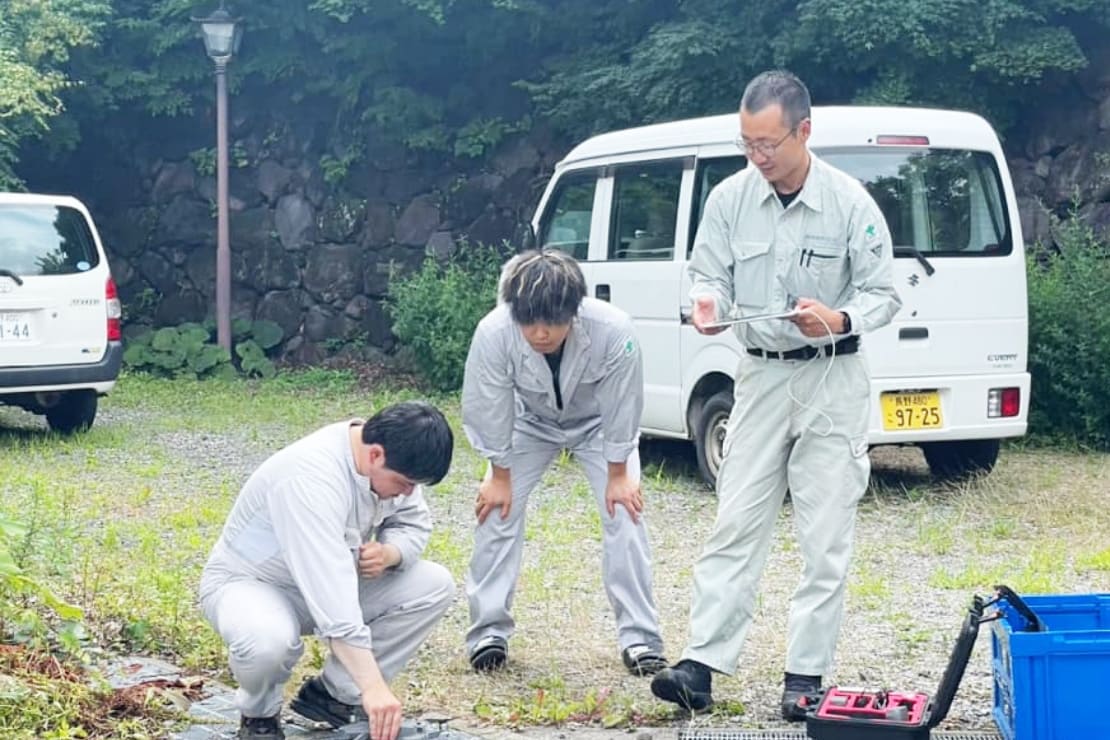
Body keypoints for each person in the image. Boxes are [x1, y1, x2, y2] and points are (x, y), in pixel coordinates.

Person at [650, 70, 902, 719]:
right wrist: (705, 304)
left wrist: (840, 318)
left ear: (803, 131)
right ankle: (700, 665)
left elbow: (884, 293)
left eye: (768, 143)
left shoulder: (850, 202)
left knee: (825, 533)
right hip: (759, 375)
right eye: (747, 144)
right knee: (735, 518)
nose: (758, 156)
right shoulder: (730, 199)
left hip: (832, 376)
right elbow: (705, 274)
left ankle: (805, 678)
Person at [461, 248, 666, 676]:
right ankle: (488, 632)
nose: (539, 333)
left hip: (597, 424)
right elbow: (488, 404)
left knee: (625, 515)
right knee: (497, 510)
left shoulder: (614, 330)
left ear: (574, 310)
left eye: (551, 321)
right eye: (529, 321)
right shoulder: (494, 332)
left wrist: (617, 474)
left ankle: (641, 640)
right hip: (528, 422)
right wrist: (499, 474)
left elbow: (623, 404)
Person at [199, 401, 456, 740]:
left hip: (329, 583)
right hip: (252, 584)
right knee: (267, 642)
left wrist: (391, 552)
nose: (409, 492)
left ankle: (333, 697)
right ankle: (259, 716)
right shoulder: (309, 479)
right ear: (376, 455)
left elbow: (412, 523)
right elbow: (333, 600)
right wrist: (374, 688)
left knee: (434, 585)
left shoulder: (393, 458)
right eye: (405, 483)